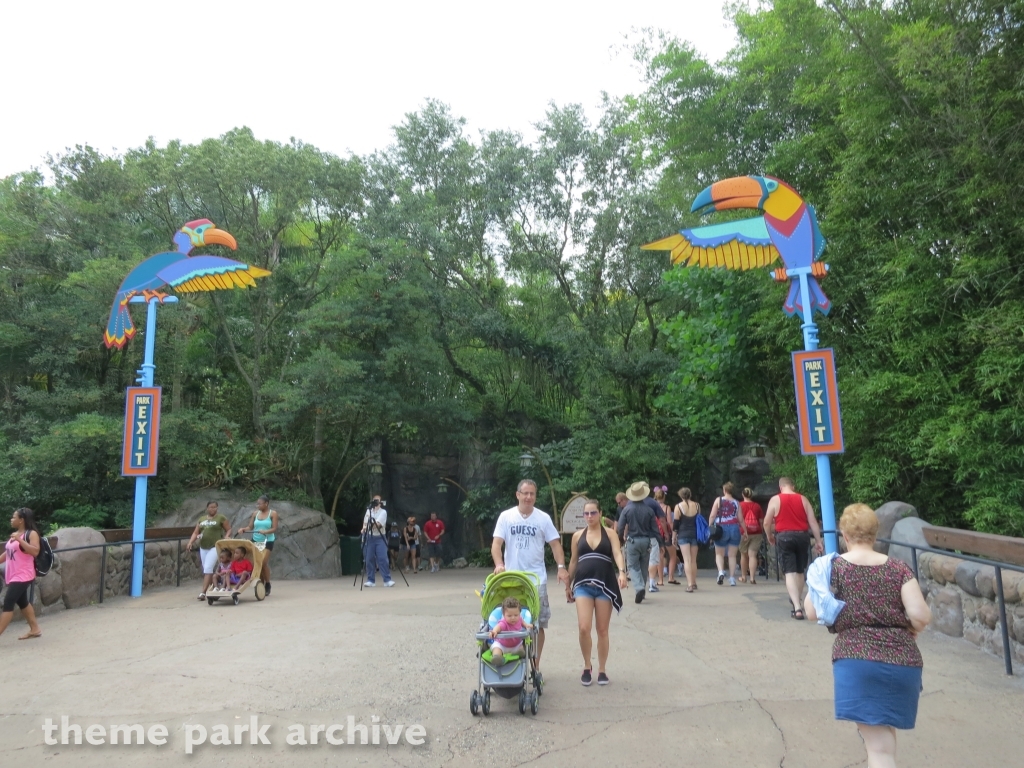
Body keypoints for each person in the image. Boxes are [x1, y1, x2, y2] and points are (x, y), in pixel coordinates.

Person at [804, 504, 931, 768]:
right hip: (902, 659)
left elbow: (812, 612)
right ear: (875, 533)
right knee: (885, 735)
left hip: (856, 659)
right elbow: (920, 615)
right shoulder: (899, 569)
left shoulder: (833, 568)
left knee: (878, 748)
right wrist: (910, 629)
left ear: (845, 535)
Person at [491, 479, 569, 677]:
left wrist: (561, 567)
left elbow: (555, 545)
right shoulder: (506, 517)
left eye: (532, 494)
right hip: (510, 579)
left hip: (536, 579)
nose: (528, 497)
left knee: (537, 623)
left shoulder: (542, 518)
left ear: (535, 496)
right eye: (525, 493)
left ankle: (535, 664)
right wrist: (499, 564)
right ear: (517, 494)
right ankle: (506, 658)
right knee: (507, 619)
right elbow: (496, 544)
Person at [566, 500, 626, 685]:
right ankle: (586, 665)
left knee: (602, 630)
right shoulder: (577, 536)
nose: (590, 517)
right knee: (584, 627)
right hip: (583, 584)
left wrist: (622, 572)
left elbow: (617, 553)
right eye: (586, 514)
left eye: (593, 513)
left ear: (600, 513)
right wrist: (568, 583)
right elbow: (574, 561)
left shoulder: (610, 533)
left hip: (605, 584)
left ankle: (602, 669)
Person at [764, 477, 824, 618]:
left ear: (781, 487)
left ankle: (797, 607)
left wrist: (769, 536)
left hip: (784, 536)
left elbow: (767, 522)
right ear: (793, 486)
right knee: (800, 570)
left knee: (789, 572)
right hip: (802, 536)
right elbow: (813, 522)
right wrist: (818, 540)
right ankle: (798, 599)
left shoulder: (775, 499)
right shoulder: (803, 499)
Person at [616, 481, 664, 604]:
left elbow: (620, 527)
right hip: (646, 540)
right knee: (643, 565)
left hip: (632, 540)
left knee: (632, 566)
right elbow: (655, 528)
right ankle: (641, 589)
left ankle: (639, 588)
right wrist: (661, 543)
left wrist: (620, 539)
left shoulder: (627, 509)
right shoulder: (649, 510)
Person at [0, 508, 42, 640]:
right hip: (13, 574)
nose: (11, 519)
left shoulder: (31, 534)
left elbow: (35, 552)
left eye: (14, 517)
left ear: (21, 520)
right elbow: (8, 553)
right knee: (22, 601)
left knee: (8, 602)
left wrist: (19, 539)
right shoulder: (15, 534)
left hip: (24, 575)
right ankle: (35, 629)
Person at [186, 501, 231, 600]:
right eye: (211, 507)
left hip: (215, 546)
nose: (213, 509)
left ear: (217, 508)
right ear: (207, 508)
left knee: (208, 567)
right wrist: (190, 542)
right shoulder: (201, 519)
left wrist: (226, 536)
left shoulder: (221, 518)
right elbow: (196, 532)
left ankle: (203, 592)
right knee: (207, 569)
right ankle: (213, 589)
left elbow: (228, 529)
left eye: (215, 507)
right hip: (203, 546)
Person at [236, 495, 279, 595]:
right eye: (257, 503)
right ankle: (261, 584)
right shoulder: (255, 513)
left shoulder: (273, 513)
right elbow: (250, 526)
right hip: (255, 540)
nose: (257, 505)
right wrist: (243, 529)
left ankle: (267, 584)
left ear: (266, 503)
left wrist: (265, 531)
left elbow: (274, 528)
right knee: (256, 563)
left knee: (263, 563)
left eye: (259, 504)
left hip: (267, 540)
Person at [708, 482, 748, 586]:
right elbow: (741, 519)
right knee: (732, 556)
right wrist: (745, 531)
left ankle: (721, 571)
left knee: (719, 554)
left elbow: (712, 515)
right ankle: (732, 578)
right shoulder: (736, 502)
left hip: (721, 528)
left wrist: (710, 527)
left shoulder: (718, 500)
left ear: (724, 490)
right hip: (734, 528)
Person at [360, 494, 394, 587]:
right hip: (370, 537)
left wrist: (368, 526)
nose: (376, 502)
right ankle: (370, 580)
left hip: (380, 537)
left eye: (377, 501)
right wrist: (364, 528)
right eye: (374, 500)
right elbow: (365, 522)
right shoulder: (368, 511)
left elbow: (378, 525)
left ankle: (387, 580)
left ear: (381, 502)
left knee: (383, 558)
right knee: (369, 558)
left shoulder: (383, 512)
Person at [488, 596, 533, 665]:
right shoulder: (504, 623)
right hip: (502, 645)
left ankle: (519, 653)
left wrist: (527, 625)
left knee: (522, 647)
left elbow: (523, 623)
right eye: (509, 616)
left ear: (519, 613)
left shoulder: (519, 619)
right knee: (496, 648)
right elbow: (498, 627)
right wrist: (494, 631)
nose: (513, 618)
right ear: (504, 615)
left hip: (516, 645)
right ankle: (497, 658)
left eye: (516, 615)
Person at [673, 488, 701, 592]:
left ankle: (689, 584)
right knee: (693, 560)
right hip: (695, 534)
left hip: (683, 534)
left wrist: (673, 537)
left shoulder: (678, 507)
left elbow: (676, 524)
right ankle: (693, 582)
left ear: (681, 495)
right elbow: (698, 519)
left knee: (687, 560)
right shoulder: (697, 505)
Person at [739, 487, 765, 584]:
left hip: (743, 533)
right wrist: (761, 530)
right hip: (756, 533)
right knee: (753, 555)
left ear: (743, 495)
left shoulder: (740, 505)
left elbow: (738, 519)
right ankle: (752, 578)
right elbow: (761, 521)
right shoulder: (757, 506)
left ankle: (743, 576)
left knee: (743, 555)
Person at [651, 486, 672, 588]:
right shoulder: (667, 508)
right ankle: (664, 574)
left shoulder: (652, 506)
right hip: (663, 532)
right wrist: (669, 532)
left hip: (654, 531)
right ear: (664, 497)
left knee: (656, 555)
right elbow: (667, 521)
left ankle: (659, 579)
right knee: (663, 554)